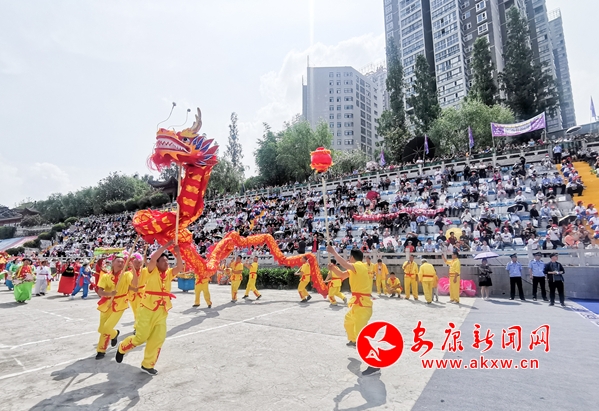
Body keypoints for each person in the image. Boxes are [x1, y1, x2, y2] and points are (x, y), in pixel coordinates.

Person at [116, 242, 184, 375]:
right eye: (163, 261)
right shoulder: (151, 271)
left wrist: (177, 252)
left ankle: (147, 364)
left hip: (162, 310)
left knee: (158, 338)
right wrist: (166, 246)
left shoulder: (169, 273)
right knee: (141, 338)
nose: (166, 263)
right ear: (157, 263)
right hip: (147, 309)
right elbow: (152, 259)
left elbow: (180, 267)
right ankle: (122, 347)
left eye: (167, 261)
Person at [326, 246, 379, 376]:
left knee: (362, 336)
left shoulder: (360, 266)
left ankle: (374, 364)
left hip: (363, 305)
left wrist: (333, 252)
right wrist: (333, 268)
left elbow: (345, 265)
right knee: (348, 321)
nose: (348, 260)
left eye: (349, 258)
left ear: (352, 257)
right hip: (357, 304)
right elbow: (341, 275)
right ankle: (353, 341)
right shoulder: (356, 269)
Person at [95, 254, 136, 360]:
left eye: (122, 262)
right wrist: (110, 294)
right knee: (101, 328)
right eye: (118, 261)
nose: (121, 263)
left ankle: (101, 350)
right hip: (106, 303)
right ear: (113, 263)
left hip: (120, 303)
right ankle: (114, 334)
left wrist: (133, 269)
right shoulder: (105, 276)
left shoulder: (127, 275)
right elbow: (100, 291)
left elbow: (135, 284)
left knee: (107, 327)